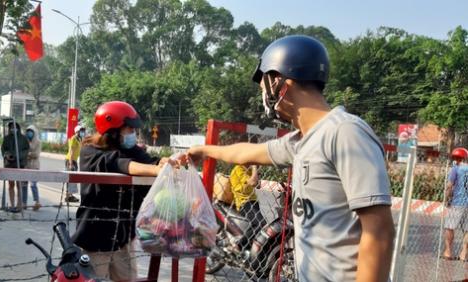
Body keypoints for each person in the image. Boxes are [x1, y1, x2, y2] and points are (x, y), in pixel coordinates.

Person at [186, 35, 395, 281]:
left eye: (264, 88)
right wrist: (202, 151)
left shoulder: (345, 132)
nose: (264, 97)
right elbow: (245, 153)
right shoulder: (300, 142)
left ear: (280, 82)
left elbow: (379, 231)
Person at [72, 101, 169, 281]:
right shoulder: (90, 151)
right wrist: (156, 171)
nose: (133, 134)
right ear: (113, 130)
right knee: (95, 279)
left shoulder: (129, 149)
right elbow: (117, 163)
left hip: (123, 237)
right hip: (96, 237)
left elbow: (148, 160)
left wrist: (163, 163)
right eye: (129, 130)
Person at [229, 164, 265, 250]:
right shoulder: (239, 169)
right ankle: (239, 245)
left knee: (264, 225)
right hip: (245, 204)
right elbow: (253, 182)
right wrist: (254, 167)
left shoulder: (248, 171)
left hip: (254, 203)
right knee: (261, 223)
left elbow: (257, 185)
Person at [442, 147, 467, 261]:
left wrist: (446, 198)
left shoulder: (456, 169)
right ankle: (464, 253)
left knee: (449, 227)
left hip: (458, 202)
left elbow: (449, 185)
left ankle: (448, 252)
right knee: (467, 230)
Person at [1, 121, 29, 213]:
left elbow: (26, 150)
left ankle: (19, 205)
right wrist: (7, 155)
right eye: (11, 127)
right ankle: (12, 205)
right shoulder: (6, 138)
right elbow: (3, 149)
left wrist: (18, 156)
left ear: (18, 128)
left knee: (19, 185)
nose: (13, 129)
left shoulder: (23, 138)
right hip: (9, 164)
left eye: (15, 127)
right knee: (11, 184)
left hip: (20, 164)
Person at [22, 125, 41, 211]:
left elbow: (36, 155)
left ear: (34, 133)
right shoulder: (24, 141)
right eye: (28, 132)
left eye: (31, 132)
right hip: (25, 166)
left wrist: (28, 154)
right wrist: (29, 154)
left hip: (34, 166)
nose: (29, 133)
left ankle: (37, 202)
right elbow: (22, 152)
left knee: (33, 185)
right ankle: (24, 203)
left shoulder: (38, 142)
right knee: (24, 185)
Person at [64, 124, 85, 202]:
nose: (83, 132)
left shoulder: (79, 139)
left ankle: (71, 195)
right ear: (77, 132)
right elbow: (71, 151)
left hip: (74, 160)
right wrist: (70, 163)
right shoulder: (73, 138)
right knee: (69, 178)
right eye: (81, 131)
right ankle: (67, 196)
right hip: (70, 160)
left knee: (73, 179)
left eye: (83, 131)